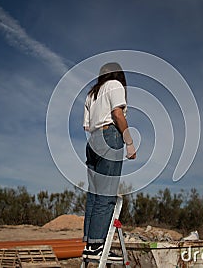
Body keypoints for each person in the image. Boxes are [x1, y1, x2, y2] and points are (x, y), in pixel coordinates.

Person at [82, 62, 136, 260]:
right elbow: (117, 114)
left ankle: (90, 242)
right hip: (109, 135)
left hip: (93, 141)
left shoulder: (91, 94)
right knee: (106, 194)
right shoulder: (115, 85)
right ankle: (97, 245)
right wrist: (129, 142)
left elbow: (87, 127)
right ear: (117, 74)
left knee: (94, 194)